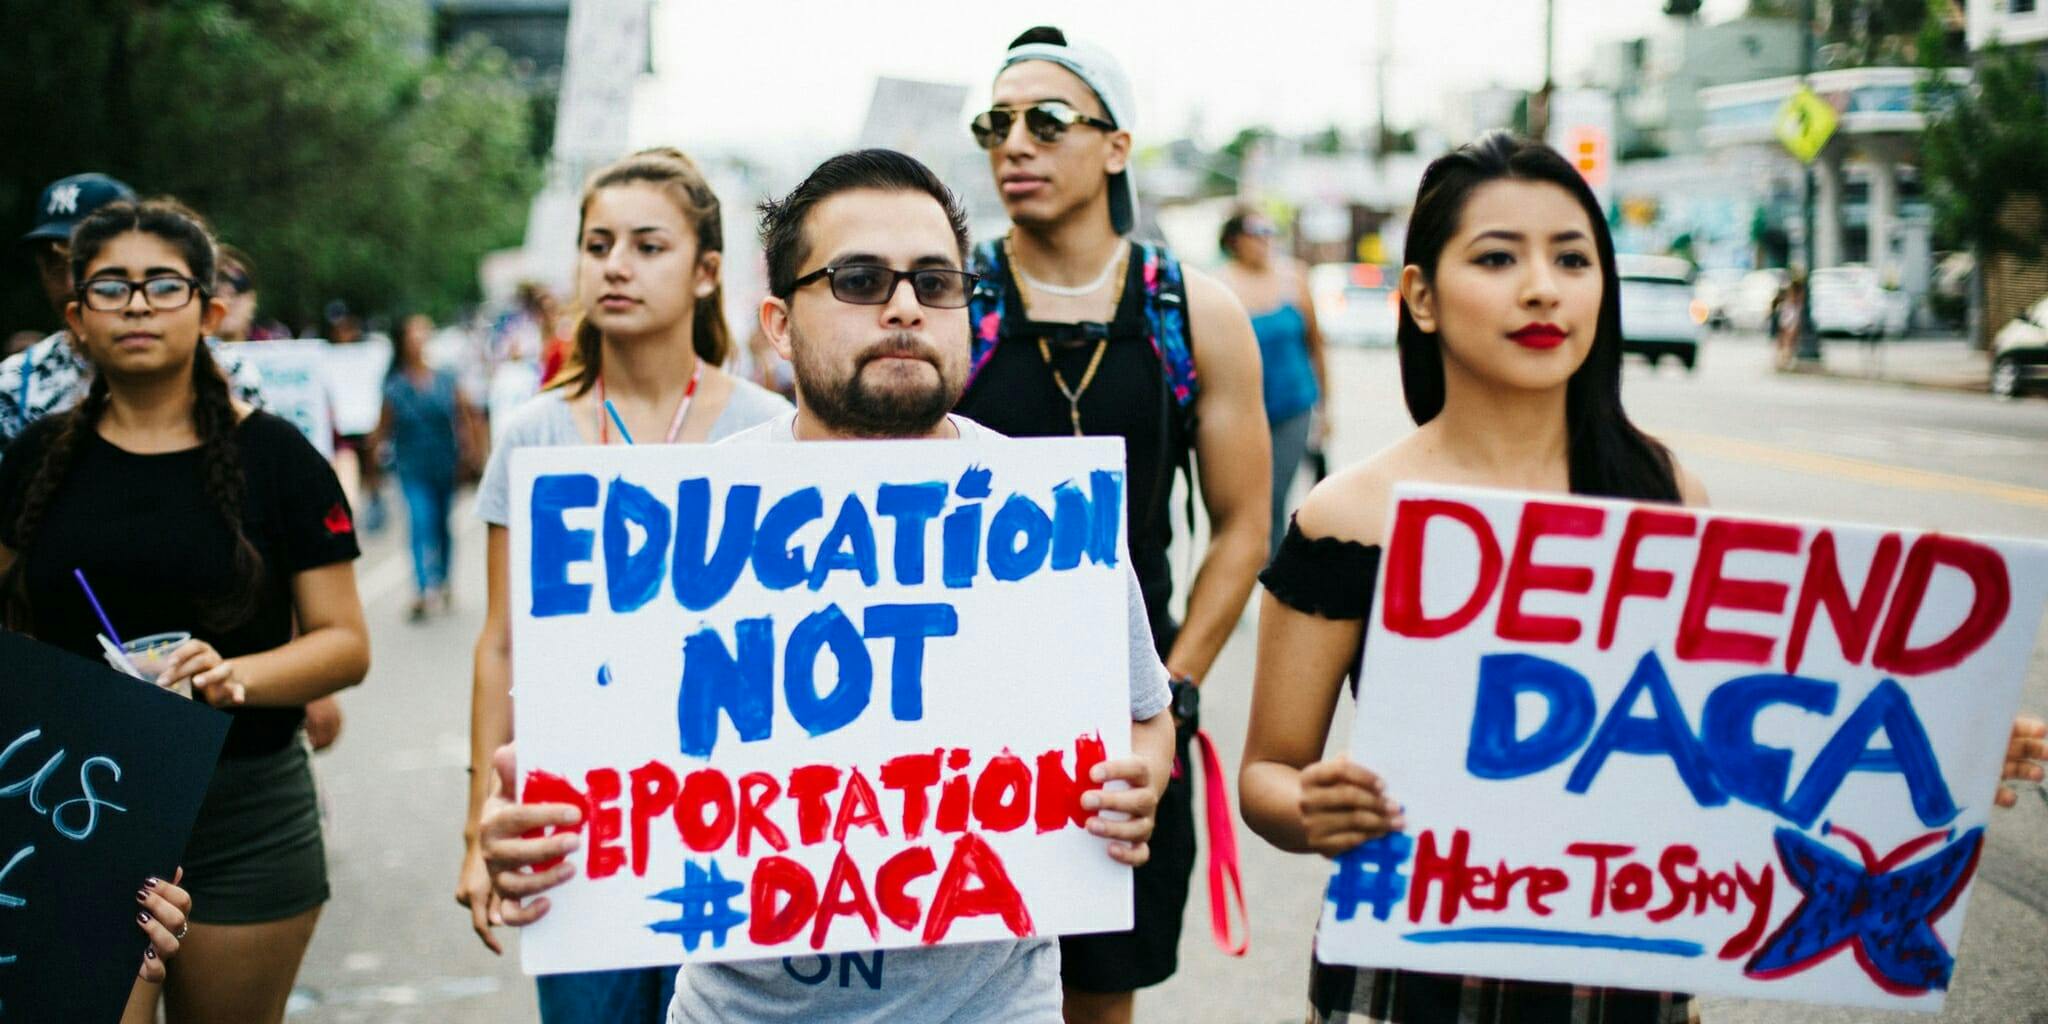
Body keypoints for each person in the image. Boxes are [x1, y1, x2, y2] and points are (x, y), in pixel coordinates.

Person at [1237, 132, 2048, 1023]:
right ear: (1421, 297)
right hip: (1410, 970)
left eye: (1572, 258)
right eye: (1498, 257)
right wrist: (1313, 809)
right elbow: (1269, 773)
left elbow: (1747, 727)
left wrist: (1944, 739)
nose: (1542, 286)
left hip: (1621, 968)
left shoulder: (1664, 493)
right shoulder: (1350, 516)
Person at [477, 146, 1174, 1024]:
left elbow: (1145, 718)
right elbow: (604, 767)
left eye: (936, 281)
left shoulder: (1051, 509)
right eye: (858, 279)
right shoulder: (679, 518)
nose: (906, 307)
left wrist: (1140, 782)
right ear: (778, 322)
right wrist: (527, 830)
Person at [951, 27, 1269, 1021]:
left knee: (1098, 998)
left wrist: (1167, 700)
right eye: (994, 124)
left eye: (1046, 121)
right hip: (957, 712)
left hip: (1122, 728)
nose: (1015, 144)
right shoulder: (952, 303)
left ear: (1116, 144)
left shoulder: (1188, 309)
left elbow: (1243, 526)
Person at [0, 198, 370, 1024]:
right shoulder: (31, 463)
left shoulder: (278, 457)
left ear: (208, 309)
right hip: (70, 808)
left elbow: (345, 644)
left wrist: (229, 671)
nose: (136, 304)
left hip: (244, 816)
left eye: (163, 285)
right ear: (74, 317)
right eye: (111, 287)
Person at [456, 147, 792, 1022]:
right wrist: (478, 825)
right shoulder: (532, 436)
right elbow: (501, 642)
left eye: (649, 245)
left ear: (708, 271)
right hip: (578, 826)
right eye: (598, 243)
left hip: (732, 818)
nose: (616, 265)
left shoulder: (774, 431)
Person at [1, 173, 264, 460]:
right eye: (53, 264)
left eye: (86, 263)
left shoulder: (230, 374)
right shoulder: (15, 386)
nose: (69, 283)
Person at [1215, 209, 1330, 556]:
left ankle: (1273, 579)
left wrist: (1326, 409)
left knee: (1273, 497)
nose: (1266, 238)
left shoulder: (1293, 278)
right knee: (1239, 503)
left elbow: (1316, 345)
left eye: (1270, 229)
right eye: (1256, 230)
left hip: (1294, 406)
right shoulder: (1220, 284)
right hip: (1241, 413)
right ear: (1234, 240)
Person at [373, 313, 480, 620]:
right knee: (421, 521)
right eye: (413, 336)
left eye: (423, 335)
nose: (419, 342)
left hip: (445, 463)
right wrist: (375, 467)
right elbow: (382, 430)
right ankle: (423, 588)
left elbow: (464, 415)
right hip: (411, 466)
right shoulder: (395, 386)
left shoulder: (445, 379)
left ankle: (444, 579)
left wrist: (471, 452)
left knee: (444, 525)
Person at [214, 245, 292, 342]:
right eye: (217, 282)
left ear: (252, 300)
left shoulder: (275, 346)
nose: (227, 294)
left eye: (240, 283)